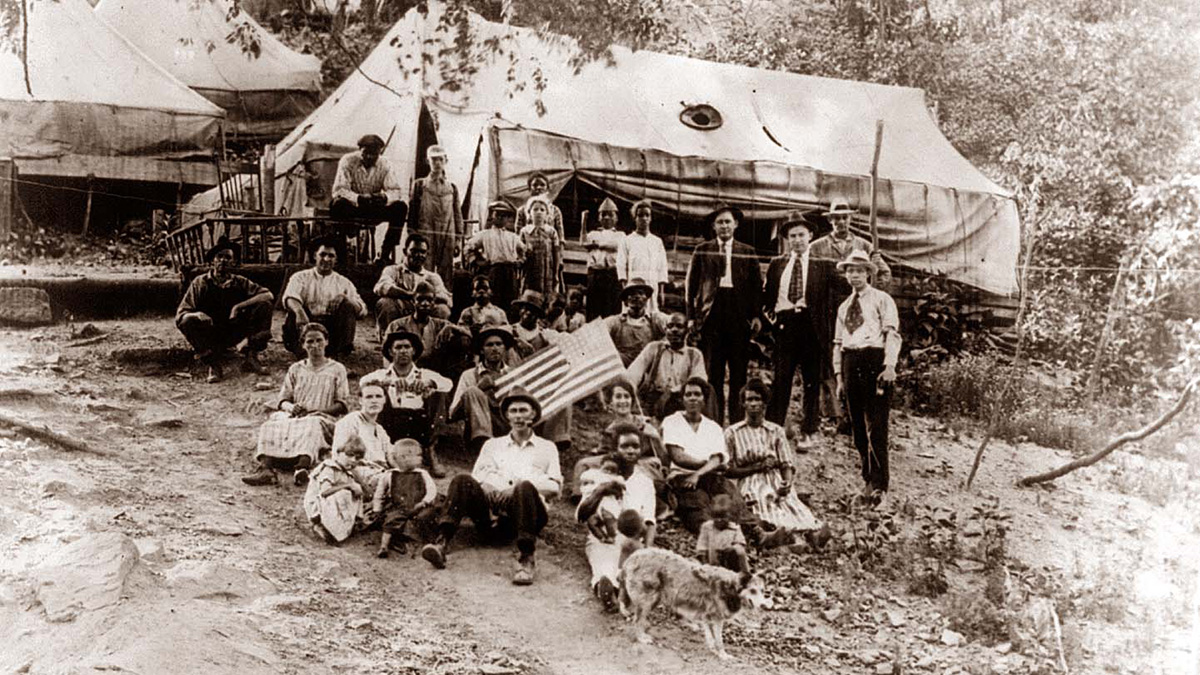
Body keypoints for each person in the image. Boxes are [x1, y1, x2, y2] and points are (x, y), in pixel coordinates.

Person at [420, 386, 562, 586]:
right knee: (462, 480)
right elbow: (478, 477)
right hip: (490, 512)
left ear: (533, 415)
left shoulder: (547, 448)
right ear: (507, 416)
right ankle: (442, 543)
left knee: (525, 487)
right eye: (514, 411)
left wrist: (516, 489)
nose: (519, 416)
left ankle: (526, 558)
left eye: (524, 411)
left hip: (525, 515)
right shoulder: (492, 445)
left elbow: (554, 486)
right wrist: (487, 486)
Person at [810, 199, 892, 432]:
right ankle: (837, 414)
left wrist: (873, 294)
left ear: (850, 219)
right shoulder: (818, 247)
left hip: (863, 312)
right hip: (831, 310)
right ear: (830, 220)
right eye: (836, 218)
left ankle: (860, 414)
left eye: (845, 217)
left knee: (860, 361)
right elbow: (812, 283)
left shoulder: (865, 245)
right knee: (833, 360)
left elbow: (884, 273)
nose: (841, 222)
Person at [832, 249, 901, 506]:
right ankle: (868, 479)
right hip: (851, 362)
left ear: (869, 273)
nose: (854, 275)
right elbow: (838, 343)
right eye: (850, 271)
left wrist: (889, 365)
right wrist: (839, 377)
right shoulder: (844, 306)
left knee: (877, 427)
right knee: (858, 429)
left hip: (875, 362)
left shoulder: (882, 300)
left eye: (859, 270)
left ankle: (880, 486)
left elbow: (892, 334)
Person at [245, 323, 350, 486]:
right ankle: (266, 469)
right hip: (296, 415)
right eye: (309, 342)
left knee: (311, 424)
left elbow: (342, 404)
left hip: (323, 418)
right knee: (271, 424)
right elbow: (283, 399)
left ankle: (302, 467)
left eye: (319, 340)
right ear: (303, 345)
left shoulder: (337, 369)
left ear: (326, 342)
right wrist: (291, 407)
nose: (315, 345)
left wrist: (318, 411)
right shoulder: (296, 368)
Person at [685, 205, 763, 424]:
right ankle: (715, 422)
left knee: (739, 373)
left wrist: (756, 316)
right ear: (714, 226)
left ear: (735, 224)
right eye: (720, 222)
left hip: (739, 317)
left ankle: (738, 422)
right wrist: (691, 316)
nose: (724, 226)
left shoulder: (747, 251)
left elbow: (757, 287)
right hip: (712, 317)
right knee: (714, 373)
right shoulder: (702, 250)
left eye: (728, 221)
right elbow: (691, 286)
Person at [450, 324, 573, 455]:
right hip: (486, 423)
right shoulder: (469, 374)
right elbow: (453, 413)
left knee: (560, 394)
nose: (495, 348)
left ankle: (552, 447)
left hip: (511, 422)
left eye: (499, 344)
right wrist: (479, 387)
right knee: (472, 391)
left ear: (504, 349)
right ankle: (485, 445)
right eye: (489, 345)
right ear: (481, 350)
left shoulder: (514, 374)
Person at [724, 379, 820, 546]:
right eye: (749, 399)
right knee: (762, 499)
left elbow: (786, 463)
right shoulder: (733, 432)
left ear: (764, 404)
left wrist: (787, 483)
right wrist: (757, 467)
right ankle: (779, 536)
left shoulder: (776, 430)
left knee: (789, 501)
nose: (753, 404)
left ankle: (808, 535)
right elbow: (728, 469)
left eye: (757, 399)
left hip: (774, 478)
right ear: (743, 404)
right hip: (749, 480)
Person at [576, 425, 657, 612]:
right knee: (603, 559)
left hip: (633, 538)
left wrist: (648, 548)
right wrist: (602, 489)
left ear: (641, 449)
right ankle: (605, 588)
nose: (630, 451)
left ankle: (621, 586)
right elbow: (582, 514)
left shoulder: (644, 482)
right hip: (604, 536)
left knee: (632, 562)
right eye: (625, 446)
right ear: (615, 449)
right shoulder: (599, 477)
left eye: (635, 446)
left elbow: (651, 520)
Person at [175, 236, 273, 383]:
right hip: (210, 333)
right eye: (219, 257)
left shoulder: (240, 281)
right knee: (187, 321)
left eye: (228, 257)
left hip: (235, 331)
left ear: (233, 262)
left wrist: (238, 307)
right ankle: (213, 365)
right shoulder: (200, 283)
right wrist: (196, 314)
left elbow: (267, 295)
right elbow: (181, 315)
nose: (223, 261)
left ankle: (251, 357)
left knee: (264, 306)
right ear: (213, 261)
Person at [763, 211, 824, 441]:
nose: (797, 240)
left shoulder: (821, 265)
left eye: (801, 235)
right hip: (785, 325)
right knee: (781, 378)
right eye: (792, 236)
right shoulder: (777, 264)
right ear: (787, 239)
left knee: (811, 380)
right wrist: (774, 320)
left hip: (811, 326)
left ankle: (809, 430)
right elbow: (767, 297)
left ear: (810, 236)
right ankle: (773, 428)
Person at [661, 377, 748, 535]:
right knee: (697, 503)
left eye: (697, 394)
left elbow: (717, 458)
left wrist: (699, 473)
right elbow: (678, 457)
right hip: (682, 476)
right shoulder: (671, 421)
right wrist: (707, 466)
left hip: (710, 476)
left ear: (704, 399)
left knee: (729, 496)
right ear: (682, 399)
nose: (693, 398)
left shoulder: (713, 427)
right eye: (688, 394)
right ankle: (714, 536)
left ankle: (756, 531)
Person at [366, 329, 454, 478]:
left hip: (419, 426)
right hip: (390, 426)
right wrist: (388, 383)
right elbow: (363, 383)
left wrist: (430, 383)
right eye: (398, 347)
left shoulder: (424, 374)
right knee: (376, 391)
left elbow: (448, 384)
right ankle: (384, 451)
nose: (403, 351)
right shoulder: (382, 375)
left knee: (439, 393)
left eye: (407, 347)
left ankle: (431, 450)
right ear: (391, 352)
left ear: (413, 351)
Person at [281, 236, 368, 357]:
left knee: (348, 306)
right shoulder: (300, 277)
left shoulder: (344, 282)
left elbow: (362, 310)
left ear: (336, 259)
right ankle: (304, 352)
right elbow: (290, 297)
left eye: (331, 256)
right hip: (306, 324)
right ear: (314, 256)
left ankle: (337, 352)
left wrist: (345, 298)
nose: (326, 259)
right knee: (294, 311)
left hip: (332, 330)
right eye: (322, 254)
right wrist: (299, 312)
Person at [329, 134, 406, 264]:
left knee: (400, 207)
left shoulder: (385, 163)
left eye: (374, 154)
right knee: (337, 204)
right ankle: (341, 256)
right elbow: (339, 190)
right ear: (360, 150)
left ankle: (384, 255)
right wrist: (358, 198)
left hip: (373, 208)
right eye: (366, 153)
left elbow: (395, 190)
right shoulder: (347, 161)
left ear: (379, 153)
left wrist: (384, 197)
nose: (370, 157)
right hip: (354, 207)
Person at [625, 311, 707, 419]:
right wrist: (629, 389)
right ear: (665, 330)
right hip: (654, 402)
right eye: (670, 326)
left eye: (679, 326)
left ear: (687, 330)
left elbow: (698, 381)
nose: (674, 330)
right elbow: (634, 372)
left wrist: (672, 392)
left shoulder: (694, 354)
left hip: (681, 403)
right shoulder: (654, 348)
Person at [383, 281, 472, 380]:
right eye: (420, 299)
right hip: (406, 372)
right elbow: (386, 353)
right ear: (413, 301)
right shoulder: (397, 325)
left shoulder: (441, 324)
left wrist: (452, 327)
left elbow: (469, 335)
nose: (425, 303)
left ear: (434, 302)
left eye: (429, 300)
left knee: (462, 339)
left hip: (435, 372)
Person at [369, 439, 439, 558]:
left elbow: (432, 490)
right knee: (391, 520)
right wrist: (377, 509)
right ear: (404, 458)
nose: (421, 458)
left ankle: (432, 543)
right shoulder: (390, 475)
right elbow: (379, 494)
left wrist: (424, 501)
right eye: (418, 455)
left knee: (427, 516)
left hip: (419, 505)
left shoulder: (422, 473)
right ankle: (384, 546)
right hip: (400, 507)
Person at [373, 233, 453, 338]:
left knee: (443, 309)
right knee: (385, 303)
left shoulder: (432, 276)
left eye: (423, 252)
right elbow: (382, 287)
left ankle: (435, 343)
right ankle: (390, 341)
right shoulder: (392, 270)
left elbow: (445, 297)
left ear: (427, 254)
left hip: (424, 312)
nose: (419, 255)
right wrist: (410, 295)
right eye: (414, 251)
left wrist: (423, 298)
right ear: (405, 251)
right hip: (401, 311)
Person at [407, 145, 463, 283]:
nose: (437, 163)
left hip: (447, 232)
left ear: (446, 161)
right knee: (424, 270)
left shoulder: (452, 188)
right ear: (428, 161)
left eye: (440, 159)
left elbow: (457, 215)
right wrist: (412, 235)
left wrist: (458, 240)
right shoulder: (420, 185)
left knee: (446, 271)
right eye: (434, 160)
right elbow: (412, 212)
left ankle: (444, 301)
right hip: (426, 230)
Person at [304, 435, 366, 544]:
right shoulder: (329, 468)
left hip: (333, 504)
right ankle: (320, 525)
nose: (352, 460)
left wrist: (356, 485)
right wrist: (348, 486)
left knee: (355, 492)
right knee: (345, 493)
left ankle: (343, 527)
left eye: (357, 458)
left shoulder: (348, 472)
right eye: (349, 455)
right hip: (318, 505)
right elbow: (324, 492)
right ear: (338, 453)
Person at [465, 201, 525, 311]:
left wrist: (520, 261)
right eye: (498, 214)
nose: (501, 218)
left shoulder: (513, 237)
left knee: (510, 300)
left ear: (508, 219)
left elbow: (524, 250)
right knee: (494, 298)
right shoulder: (484, 234)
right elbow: (468, 247)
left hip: (510, 271)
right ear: (492, 216)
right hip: (494, 270)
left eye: (504, 215)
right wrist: (477, 261)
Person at [615, 199, 669, 314]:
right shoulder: (627, 240)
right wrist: (625, 290)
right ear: (635, 218)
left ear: (651, 218)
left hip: (652, 285)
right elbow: (621, 266)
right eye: (640, 215)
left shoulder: (657, 241)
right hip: (634, 288)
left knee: (652, 315)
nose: (644, 218)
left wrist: (661, 292)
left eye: (647, 215)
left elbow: (662, 267)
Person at [605, 277, 668, 367]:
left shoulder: (655, 319)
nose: (637, 296)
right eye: (632, 294)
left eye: (640, 293)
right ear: (626, 301)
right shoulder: (615, 321)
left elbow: (673, 323)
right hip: (623, 367)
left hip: (648, 366)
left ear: (646, 299)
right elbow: (598, 333)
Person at [333, 379, 392, 465]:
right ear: (361, 400)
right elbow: (340, 456)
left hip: (379, 471)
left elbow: (391, 456)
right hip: (358, 470)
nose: (374, 401)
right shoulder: (351, 421)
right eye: (369, 397)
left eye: (378, 396)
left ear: (384, 400)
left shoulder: (380, 430)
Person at [583, 198, 624, 319]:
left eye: (610, 215)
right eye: (603, 214)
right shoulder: (593, 234)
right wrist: (584, 221)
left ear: (616, 218)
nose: (606, 218)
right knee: (594, 310)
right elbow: (584, 243)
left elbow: (616, 245)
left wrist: (597, 244)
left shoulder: (620, 235)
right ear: (598, 217)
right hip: (595, 275)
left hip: (612, 274)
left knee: (612, 310)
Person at [519, 195, 562, 299]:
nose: (538, 212)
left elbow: (556, 253)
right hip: (530, 270)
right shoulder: (525, 231)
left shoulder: (551, 231)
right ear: (529, 213)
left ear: (547, 214)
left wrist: (556, 273)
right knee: (530, 294)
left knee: (547, 295)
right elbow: (520, 252)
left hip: (548, 271)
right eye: (535, 209)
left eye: (542, 210)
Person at [695, 494, 749, 573]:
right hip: (713, 564)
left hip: (731, 563)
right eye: (716, 517)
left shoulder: (735, 528)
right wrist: (706, 567)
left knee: (739, 552)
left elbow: (741, 544)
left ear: (730, 516)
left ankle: (743, 575)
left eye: (723, 517)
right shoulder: (707, 527)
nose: (719, 520)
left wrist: (732, 548)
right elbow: (702, 548)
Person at [515, 172, 566, 243]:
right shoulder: (522, 210)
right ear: (529, 188)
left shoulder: (555, 210)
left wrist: (560, 248)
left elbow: (560, 233)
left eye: (542, 185)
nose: (539, 188)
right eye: (535, 185)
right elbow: (518, 234)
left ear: (547, 188)